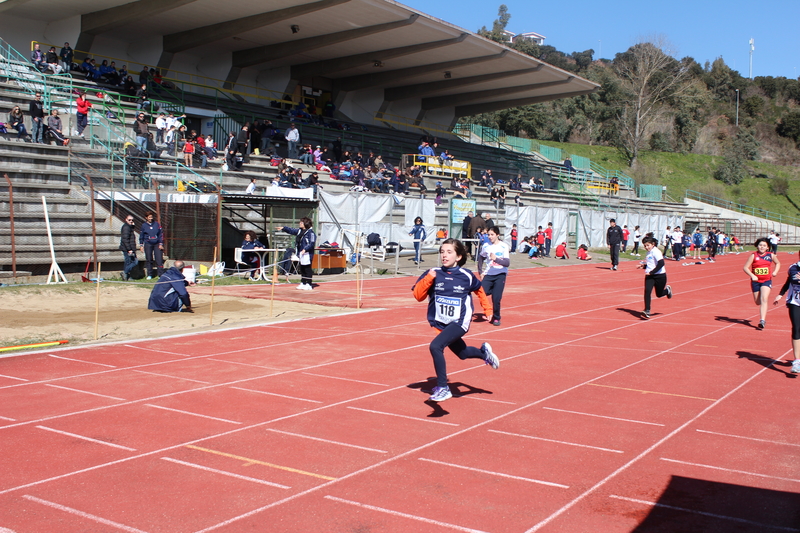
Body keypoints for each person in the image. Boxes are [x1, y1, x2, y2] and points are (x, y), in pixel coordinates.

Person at [411, 238, 499, 402]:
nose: (444, 255)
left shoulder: (466, 275)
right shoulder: (433, 272)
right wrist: (430, 278)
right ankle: (483, 353)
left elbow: (480, 290)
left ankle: (443, 387)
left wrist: (487, 309)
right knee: (463, 354)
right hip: (442, 323)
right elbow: (418, 296)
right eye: (442, 252)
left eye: (449, 252)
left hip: (459, 322)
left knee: (436, 346)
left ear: (458, 256)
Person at [743, 238, 780, 329]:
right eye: (760, 245)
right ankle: (762, 317)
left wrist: (775, 272)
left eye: (764, 245)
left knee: (764, 299)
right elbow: (745, 267)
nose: (762, 247)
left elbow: (778, 263)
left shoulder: (771, 255)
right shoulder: (753, 255)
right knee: (757, 302)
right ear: (757, 246)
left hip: (766, 280)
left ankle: (762, 320)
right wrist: (752, 275)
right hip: (755, 281)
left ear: (767, 247)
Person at [772, 252, 800, 374]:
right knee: (796, 328)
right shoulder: (793, 268)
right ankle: (797, 361)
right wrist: (780, 294)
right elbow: (788, 282)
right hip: (795, 302)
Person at [479, 227, 509, 327]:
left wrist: (496, 259)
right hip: (489, 274)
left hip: (500, 274)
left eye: (492, 234)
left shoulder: (504, 246)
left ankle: (496, 317)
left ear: (497, 235)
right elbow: (481, 258)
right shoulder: (486, 246)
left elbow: (507, 263)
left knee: (496, 299)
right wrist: (481, 272)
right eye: (488, 235)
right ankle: (494, 290)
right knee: (482, 293)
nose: (490, 237)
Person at [638, 236, 673, 319]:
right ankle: (647, 310)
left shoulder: (656, 252)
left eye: (648, 245)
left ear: (653, 244)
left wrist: (652, 272)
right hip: (650, 276)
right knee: (647, 291)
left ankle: (667, 291)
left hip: (660, 276)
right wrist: (643, 266)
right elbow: (651, 264)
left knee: (659, 294)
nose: (646, 247)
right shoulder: (648, 253)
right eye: (645, 246)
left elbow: (661, 264)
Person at [280, 217, 316, 290]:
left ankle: (309, 283)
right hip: (300, 253)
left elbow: (311, 243)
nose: (300, 223)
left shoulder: (311, 233)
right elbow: (292, 231)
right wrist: (284, 228)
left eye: (302, 222)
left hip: (307, 254)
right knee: (302, 269)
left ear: (306, 223)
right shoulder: (300, 231)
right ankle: (303, 282)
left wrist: (305, 249)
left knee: (307, 269)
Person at [139, 211, 164, 279]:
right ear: (146, 218)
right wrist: (141, 245)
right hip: (148, 244)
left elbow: (161, 234)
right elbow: (142, 236)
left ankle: (160, 274)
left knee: (159, 259)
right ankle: (150, 274)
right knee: (149, 259)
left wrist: (161, 243)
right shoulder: (144, 225)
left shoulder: (157, 224)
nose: (151, 218)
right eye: (149, 217)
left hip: (157, 244)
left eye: (151, 217)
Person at [119, 215, 138, 281]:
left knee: (128, 262)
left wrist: (133, 226)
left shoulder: (130, 227)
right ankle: (125, 272)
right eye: (129, 220)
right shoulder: (126, 228)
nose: (131, 221)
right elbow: (125, 239)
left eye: (132, 220)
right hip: (127, 249)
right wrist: (129, 249)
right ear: (126, 220)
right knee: (135, 262)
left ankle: (127, 276)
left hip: (131, 248)